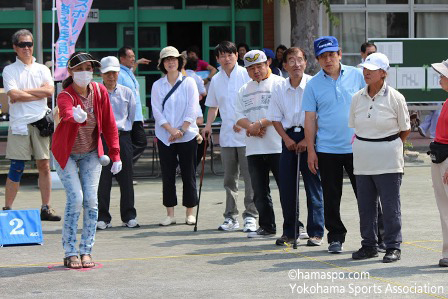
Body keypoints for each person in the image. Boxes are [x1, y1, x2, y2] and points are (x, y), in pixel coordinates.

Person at [52, 52, 122, 269]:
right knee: (75, 199)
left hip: (92, 153)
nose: (85, 73)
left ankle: (86, 250)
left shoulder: (100, 91)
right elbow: (65, 111)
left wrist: (116, 154)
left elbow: (110, 124)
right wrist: (74, 116)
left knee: (91, 201)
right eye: (80, 69)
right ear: (71, 72)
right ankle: (70, 250)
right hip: (66, 155)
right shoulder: (66, 94)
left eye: (89, 68)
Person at [303, 36, 365, 254]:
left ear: (339, 54)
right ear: (317, 59)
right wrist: (311, 150)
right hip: (327, 149)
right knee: (330, 196)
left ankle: (376, 235)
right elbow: (309, 120)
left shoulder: (358, 76)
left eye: (331, 54)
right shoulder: (312, 84)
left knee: (366, 194)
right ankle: (335, 237)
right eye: (323, 56)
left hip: (358, 147)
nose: (328, 60)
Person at [349, 53, 410, 263]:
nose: (366, 72)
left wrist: (389, 145)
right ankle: (369, 245)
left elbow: (405, 129)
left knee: (391, 206)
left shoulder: (396, 98)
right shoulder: (357, 97)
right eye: (365, 68)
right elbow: (354, 126)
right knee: (365, 206)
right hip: (363, 160)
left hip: (388, 159)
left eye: (372, 69)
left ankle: (393, 246)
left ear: (383, 73)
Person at [2, 29, 61, 221]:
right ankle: (7, 208)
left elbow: (50, 92)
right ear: (15, 48)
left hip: (40, 122)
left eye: (29, 44)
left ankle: (46, 207)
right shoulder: (10, 70)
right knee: (16, 166)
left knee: (44, 165)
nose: (26, 48)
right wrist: (38, 92)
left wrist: (23, 93)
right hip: (19, 124)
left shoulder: (42, 69)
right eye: (22, 44)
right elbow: (13, 95)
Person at [268, 47, 324, 246]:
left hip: (311, 136)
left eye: (299, 60)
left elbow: (318, 117)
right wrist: (287, 139)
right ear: (284, 66)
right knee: (287, 188)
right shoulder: (279, 87)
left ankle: (316, 232)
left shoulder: (314, 84)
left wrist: (307, 141)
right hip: (288, 138)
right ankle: (290, 231)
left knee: (313, 186)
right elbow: (274, 118)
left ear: (306, 63)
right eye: (291, 61)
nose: (296, 64)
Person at [202, 41, 257, 232]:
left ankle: (251, 215)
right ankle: (230, 217)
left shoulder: (245, 74)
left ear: (237, 56)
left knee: (249, 176)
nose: (227, 59)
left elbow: (253, 102)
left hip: (247, 133)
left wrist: (241, 121)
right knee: (229, 179)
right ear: (217, 59)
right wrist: (208, 125)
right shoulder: (216, 79)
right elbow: (213, 106)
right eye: (222, 56)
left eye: (230, 54)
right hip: (226, 135)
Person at [235, 50, 285, 238]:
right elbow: (237, 115)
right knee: (259, 191)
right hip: (254, 148)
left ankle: (294, 225)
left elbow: (282, 109)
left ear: (268, 64)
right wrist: (251, 127)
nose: (256, 71)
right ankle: (267, 226)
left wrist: (260, 124)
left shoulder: (280, 84)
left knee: (286, 189)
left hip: (278, 145)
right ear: (246, 70)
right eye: (251, 68)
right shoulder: (243, 89)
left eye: (259, 66)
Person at [151, 46, 199, 226]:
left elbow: (192, 108)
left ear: (179, 61)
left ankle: (190, 212)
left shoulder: (189, 82)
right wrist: (172, 131)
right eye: (166, 60)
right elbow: (156, 111)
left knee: (189, 174)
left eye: (174, 59)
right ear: (162, 64)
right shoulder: (157, 85)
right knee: (168, 175)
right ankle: (170, 214)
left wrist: (182, 130)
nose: (171, 62)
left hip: (187, 135)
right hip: (166, 136)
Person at [97, 56, 138, 230]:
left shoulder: (127, 92)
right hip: (102, 139)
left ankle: (129, 216)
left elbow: (132, 116)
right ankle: (103, 217)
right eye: (107, 73)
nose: (111, 76)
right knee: (103, 180)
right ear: (101, 74)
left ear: (118, 72)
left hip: (122, 137)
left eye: (114, 72)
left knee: (126, 178)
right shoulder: (96, 92)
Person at [429, 59, 448, 267]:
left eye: (443, 74)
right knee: (444, 207)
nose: (440, 78)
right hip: (440, 157)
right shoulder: (447, 101)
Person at [117, 46, 148, 165]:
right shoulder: (119, 74)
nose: (133, 59)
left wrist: (138, 62)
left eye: (134, 57)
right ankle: (121, 167)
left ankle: (123, 168)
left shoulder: (128, 72)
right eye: (130, 57)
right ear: (122, 58)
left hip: (136, 115)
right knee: (140, 142)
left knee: (132, 145)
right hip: (129, 117)